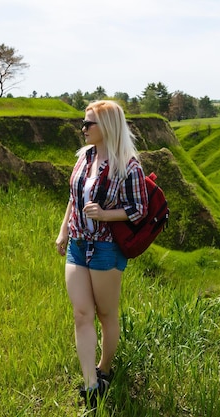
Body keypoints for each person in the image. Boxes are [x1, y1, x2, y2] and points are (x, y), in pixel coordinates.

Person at [55, 100, 148, 410]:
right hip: (78, 245)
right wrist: (63, 230)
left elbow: (139, 210)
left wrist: (106, 215)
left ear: (106, 127)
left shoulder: (128, 164)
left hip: (107, 249)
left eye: (88, 124)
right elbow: (73, 197)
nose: (83, 129)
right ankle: (91, 385)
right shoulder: (84, 157)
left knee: (107, 315)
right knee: (82, 314)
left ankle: (105, 368)